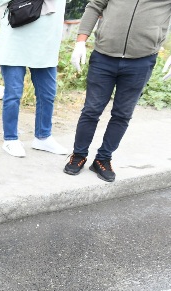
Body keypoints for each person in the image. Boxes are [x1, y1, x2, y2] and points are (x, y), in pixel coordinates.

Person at [63, 0, 171, 182]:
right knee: (91, 110)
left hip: (141, 61)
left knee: (122, 114)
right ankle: (79, 155)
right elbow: (94, 6)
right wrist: (81, 41)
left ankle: (103, 158)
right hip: (103, 57)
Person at [0, 0, 68, 158]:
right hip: (15, 40)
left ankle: (43, 136)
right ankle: (10, 139)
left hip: (46, 44)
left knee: (47, 94)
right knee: (13, 94)